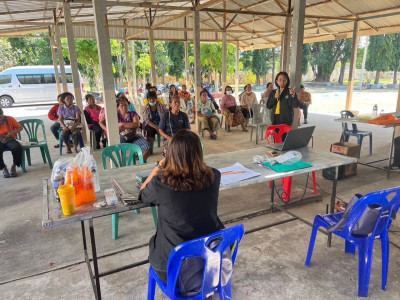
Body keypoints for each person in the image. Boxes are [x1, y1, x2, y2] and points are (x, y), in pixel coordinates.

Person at [139, 129, 225, 290]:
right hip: (211, 261)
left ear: (171, 155)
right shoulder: (214, 176)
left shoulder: (161, 184)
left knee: (155, 243)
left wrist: (158, 167)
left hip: (175, 270)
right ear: (199, 153)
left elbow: (142, 194)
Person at [100, 98, 150, 162]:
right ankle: (120, 164)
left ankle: (142, 162)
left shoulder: (133, 114)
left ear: (128, 106)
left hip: (135, 136)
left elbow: (137, 124)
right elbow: (116, 129)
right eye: (121, 105)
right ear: (118, 107)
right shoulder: (115, 116)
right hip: (122, 137)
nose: (124, 107)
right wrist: (130, 126)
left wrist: (122, 124)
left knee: (147, 146)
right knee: (116, 147)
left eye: (126, 105)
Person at [0, 107, 23, 178]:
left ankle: (14, 165)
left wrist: (13, 132)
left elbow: (20, 128)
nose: (0, 120)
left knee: (17, 147)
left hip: (10, 139)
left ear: (2, 114)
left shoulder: (10, 119)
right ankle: (4, 167)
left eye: (1, 118)